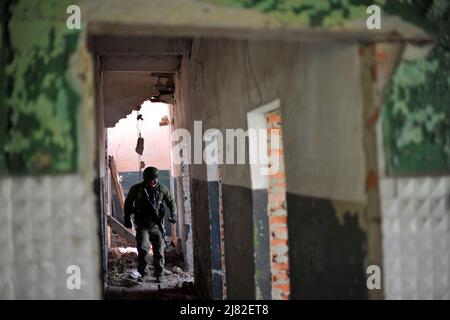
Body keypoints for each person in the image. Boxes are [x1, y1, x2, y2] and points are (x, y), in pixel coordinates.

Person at [123, 166, 177, 283]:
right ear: (145, 179)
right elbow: (128, 204)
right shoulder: (137, 189)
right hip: (142, 226)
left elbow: (171, 202)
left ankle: (159, 274)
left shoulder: (162, 189)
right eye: (150, 179)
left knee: (159, 251)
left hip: (157, 226)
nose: (153, 181)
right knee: (143, 250)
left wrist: (173, 215)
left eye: (154, 179)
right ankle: (143, 273)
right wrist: (127, 218)